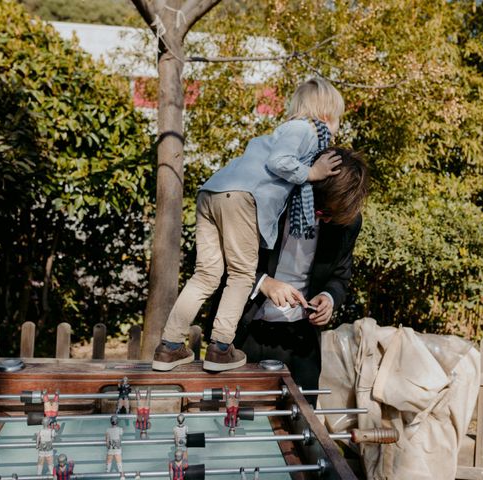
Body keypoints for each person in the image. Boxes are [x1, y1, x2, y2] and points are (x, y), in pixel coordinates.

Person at [153, 78, 345, 373]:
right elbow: (280, 162)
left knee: (206, 275)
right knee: (242, 275)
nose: (335, 130)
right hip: (241, 198)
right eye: (337, 121)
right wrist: (312, 172)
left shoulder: (280, 131)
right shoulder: (306, 129)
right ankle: (220, 349)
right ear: (326, 114)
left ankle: (170, 346)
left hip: (212, 193)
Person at [231, 148, 369, 403]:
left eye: (332, 218)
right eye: (321, 212)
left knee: (300, 427)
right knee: (237, 421)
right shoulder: (269, 203)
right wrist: (264, 283)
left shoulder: (347, 223)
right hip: (246, 330)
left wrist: (329, 298)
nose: (325, 221)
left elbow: (340, 276)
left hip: (300, 341)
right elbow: (225, 260)